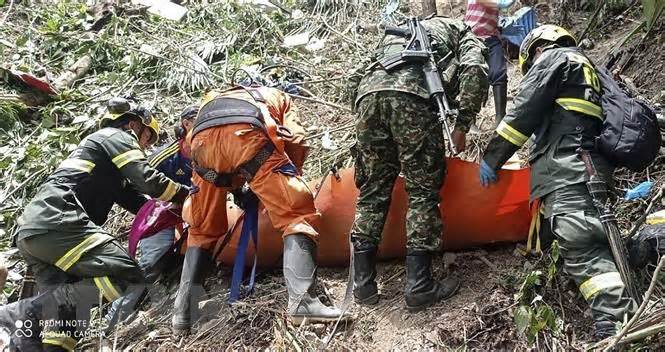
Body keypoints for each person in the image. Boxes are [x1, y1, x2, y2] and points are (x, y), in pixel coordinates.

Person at [478, 25, 637, 338]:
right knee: (595, 235)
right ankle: (641, 250)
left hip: (569, 170)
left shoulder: (554, 60)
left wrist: (492, 157)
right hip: (593, 169)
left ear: (538, 50)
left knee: (583, 246)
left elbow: (523, 113)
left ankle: (617, 321)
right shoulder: (588, 68)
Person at [0, 98, 189, 351]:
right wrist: (188, 195)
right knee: (126, 272)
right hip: (59, 220)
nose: (145, 148)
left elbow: (142, 205)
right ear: (133, 125)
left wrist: (176, 213)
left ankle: (33, 325)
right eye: (147, 139)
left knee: (66, 318)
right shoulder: (114, 135)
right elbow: (148, 180)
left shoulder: (106, 166)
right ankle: (18, 311)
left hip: (37, 229)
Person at [171, 84, 348, 335]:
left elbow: (218, 150)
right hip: (246, 138)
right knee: (295, 214)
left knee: (201, 229)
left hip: (202, 148)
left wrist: (237, 187)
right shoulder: (278, 98)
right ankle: (302, 303)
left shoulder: (213, 97)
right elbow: (296, 139)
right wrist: (289, 178)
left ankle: (182, 315)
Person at [351, 16, 489, 312]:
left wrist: (363, 112)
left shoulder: (395, 33)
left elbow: (355, 74)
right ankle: (419, 286)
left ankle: (362, 286)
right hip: (413, 101)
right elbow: (475, 69)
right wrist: (463, 123)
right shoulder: (462, 32)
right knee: (423, 193)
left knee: (372, 192)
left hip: (367, 99)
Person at [106, 105, 197, 321]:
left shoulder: (214, 153)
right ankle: (115, 318)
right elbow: (142, 187)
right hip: (166, 218)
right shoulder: (164, 158)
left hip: (199, 218)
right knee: (150, 264)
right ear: (186, 125)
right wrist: (176, 201)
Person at [465, 0, 514, 125]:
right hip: (473, 39)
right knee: (473, 77)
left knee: (499, 73)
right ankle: (470, 122)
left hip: (492, 38)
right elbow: (499, 4)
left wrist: (502, 27)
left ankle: (500, 117)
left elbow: (493, 14)